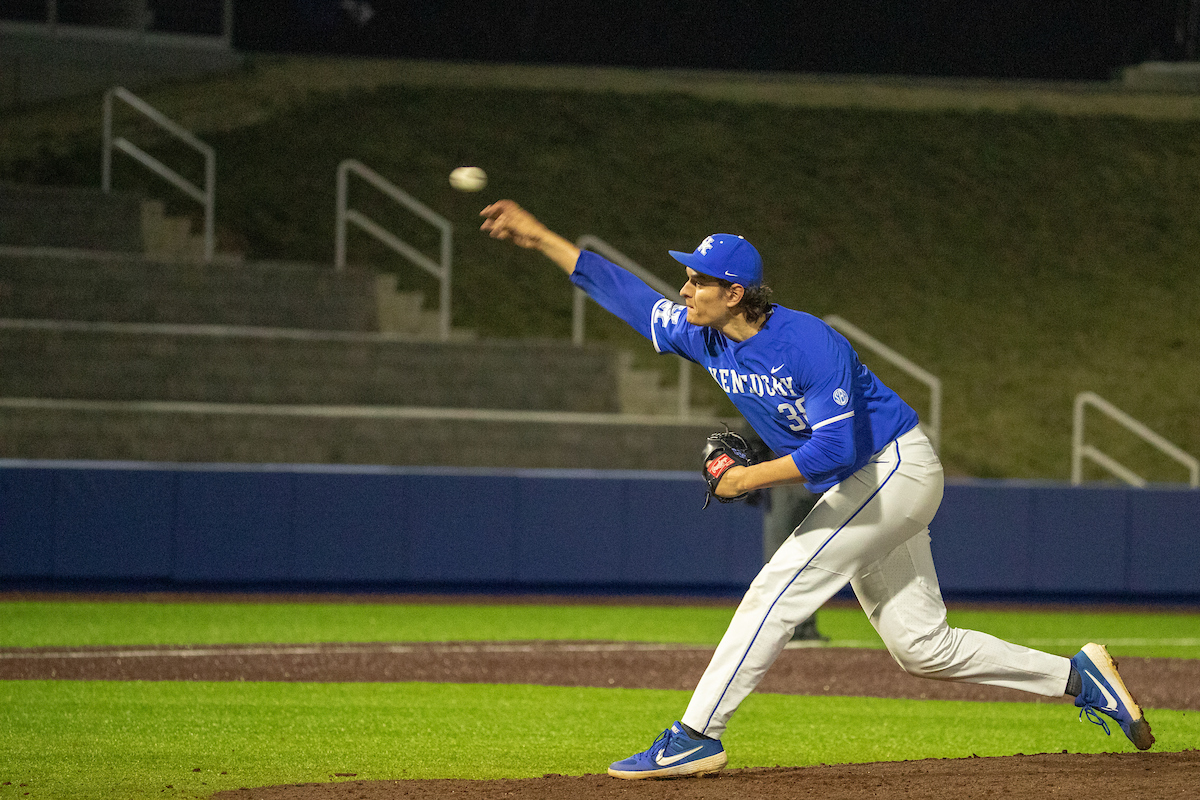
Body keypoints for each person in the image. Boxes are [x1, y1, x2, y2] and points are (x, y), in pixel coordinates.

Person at [479, 199, 1155, 779]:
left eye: (698, 281)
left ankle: (695, 735)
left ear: (734, 293)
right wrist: (537, 236)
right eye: (686, 279)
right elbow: (625, 295)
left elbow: (839, 448)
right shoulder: (703, 338)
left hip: (892, 467)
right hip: (873, 480)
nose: (684, 290)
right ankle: (1078, 678)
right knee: (922, 647)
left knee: (776, 589)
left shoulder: (807, 342)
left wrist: (748, 476)